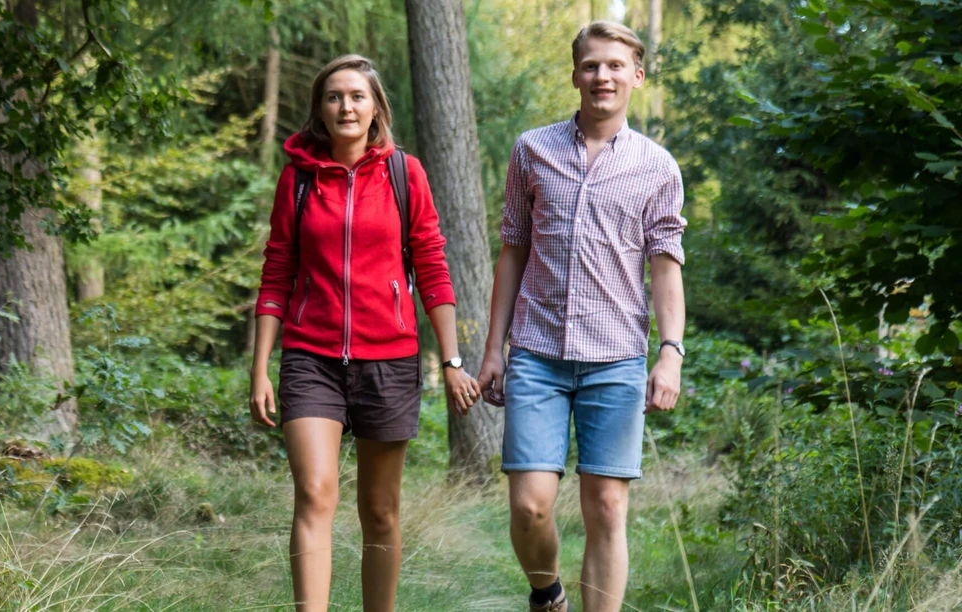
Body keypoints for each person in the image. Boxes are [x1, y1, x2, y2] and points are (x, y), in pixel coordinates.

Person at [248, 54, 480, 612]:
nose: (345, 106)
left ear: (376, 106)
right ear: (320, 111)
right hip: (311, 357)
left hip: (389, 360)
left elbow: (431, 266)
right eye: (333, 97)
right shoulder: (298, 178)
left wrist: (451, 361)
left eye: (356, 96)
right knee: (314, 492)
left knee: (379, 511)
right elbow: (278, 267)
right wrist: (260, 366)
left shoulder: (405, 173)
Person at [475, 21, 688, 612]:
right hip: (537, 355)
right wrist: (494, 350)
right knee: (529, 505)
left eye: (616, 66)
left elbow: (666, 267)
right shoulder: (531, 150)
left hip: (617, 357)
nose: (603, 76)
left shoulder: (658, 166)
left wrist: (670, 353)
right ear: (575, 75)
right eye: (591, 65)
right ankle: (548, 593)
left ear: (636, 77)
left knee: (607, 508)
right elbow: (513, 249)